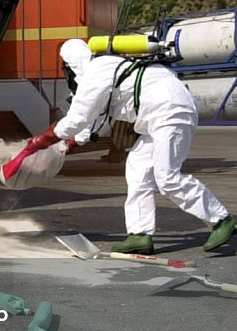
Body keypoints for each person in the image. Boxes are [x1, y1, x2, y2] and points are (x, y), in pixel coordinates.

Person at [23, 38, 235, 255]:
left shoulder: (96, 73)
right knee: (138, 170)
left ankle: (221, 219)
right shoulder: (108, 67)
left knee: (167, 177)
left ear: (71, 65)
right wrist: (68, 143)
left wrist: (44, 139)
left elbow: (79, 117)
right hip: (157, 116)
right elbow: (98, 121)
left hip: (169, 112)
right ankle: (140, 234)